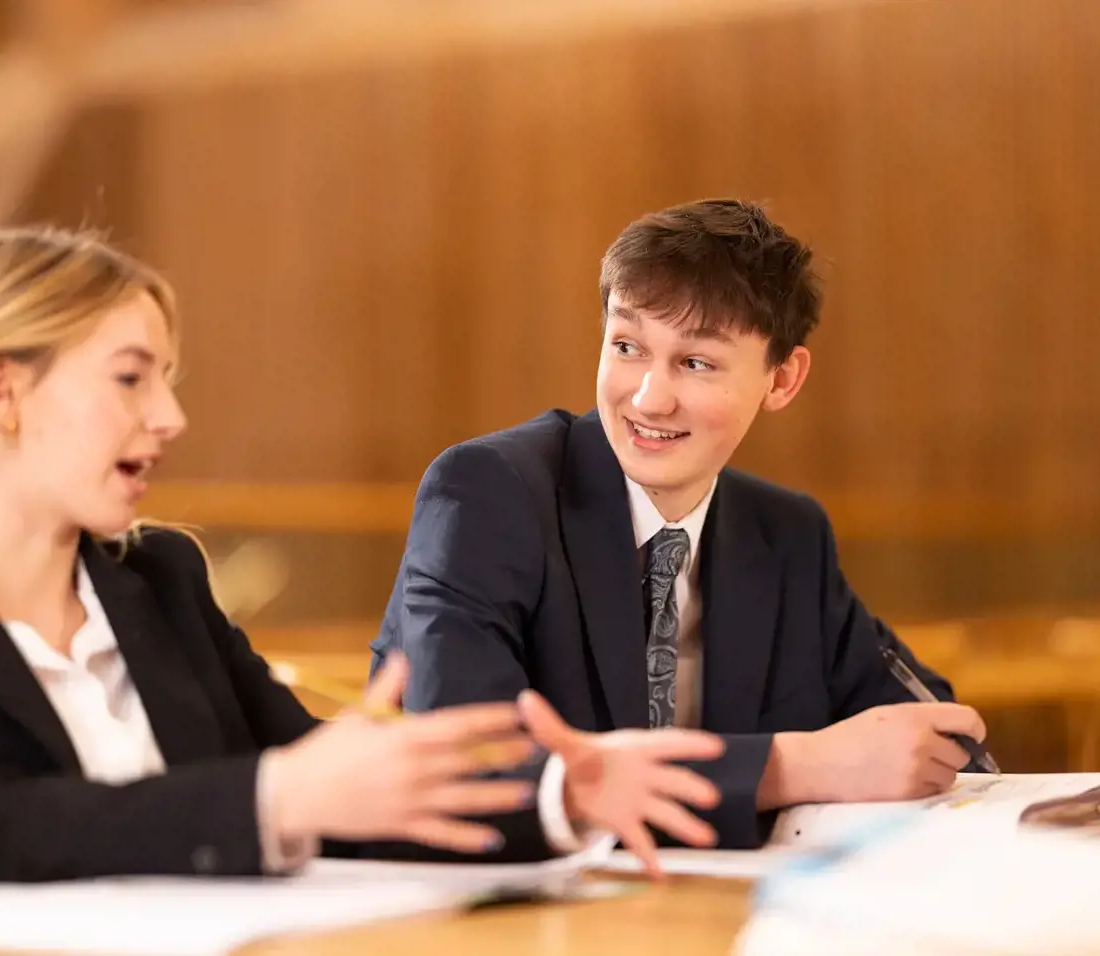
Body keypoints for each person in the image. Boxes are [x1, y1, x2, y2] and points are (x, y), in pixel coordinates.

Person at [0, 227, 728, 893]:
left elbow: (332, 789)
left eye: (167, 379)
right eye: (131, 378)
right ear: (2, 394)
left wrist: (558, 796)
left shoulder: (160, 580)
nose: (170, 416)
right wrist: (270, 801)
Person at [370, 198, 990, 850]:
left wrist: (915, 747)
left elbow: (930, 733)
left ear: (782, 379)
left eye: (695, 363)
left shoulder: (786, 535)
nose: (648, 398)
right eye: (628, 346)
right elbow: (468, 771)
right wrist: (793, 765)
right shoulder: (488, 494)